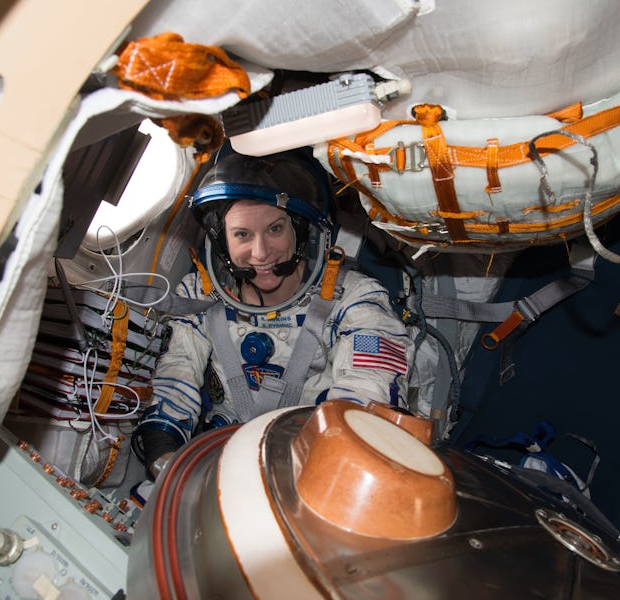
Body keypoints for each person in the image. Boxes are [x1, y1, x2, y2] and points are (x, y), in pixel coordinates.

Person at [133, 147, 414, 478]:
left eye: (275, 229)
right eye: (242, 234)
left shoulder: (355, 300)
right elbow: (175, 377)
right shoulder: (200, 296)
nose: (260, 252)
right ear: (221, 240)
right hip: (221, 459)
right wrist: (163, 455)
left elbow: (363, 399)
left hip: (313, 466)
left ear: (300, 230)